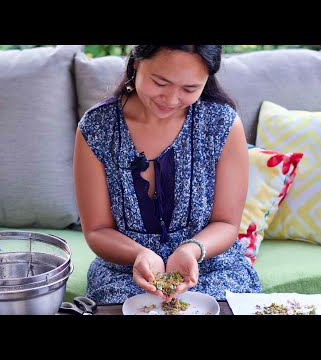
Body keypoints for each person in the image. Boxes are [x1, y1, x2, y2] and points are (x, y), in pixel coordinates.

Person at [73, 45, 262, 304]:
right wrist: (140, 255)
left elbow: (227, 224)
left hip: (210, 268)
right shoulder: (96, 127)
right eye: (160, 82)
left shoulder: (222, 124)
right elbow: (97, 229)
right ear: (136, 62)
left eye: (189, 89)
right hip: (126, 273)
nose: (171, 99)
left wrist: (191, 250)